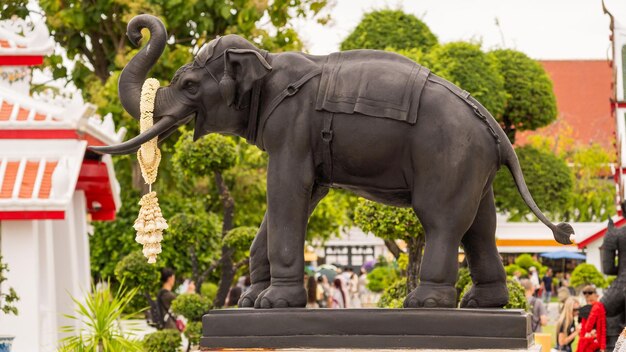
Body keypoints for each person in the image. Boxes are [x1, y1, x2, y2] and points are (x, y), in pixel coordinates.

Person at [578, 285, 606, 352]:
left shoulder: (597, 307)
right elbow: (584, 328)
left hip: (591, 343)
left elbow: (586, 328)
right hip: (589, 342)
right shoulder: (598, 307)